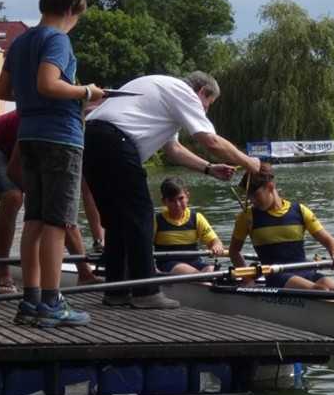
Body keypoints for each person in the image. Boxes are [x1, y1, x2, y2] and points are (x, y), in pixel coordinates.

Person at [82, 71, 259, 309]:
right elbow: (211, 141)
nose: (206, 111)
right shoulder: (184, 93)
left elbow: (173, 148)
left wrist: (209, 169)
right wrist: (249, 163)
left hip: (91, 137)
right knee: (141, 215)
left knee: (116, 221)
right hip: (115, 141)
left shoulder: (162, 90)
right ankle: (146, 292)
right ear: (202, 92)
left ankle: (117, 291)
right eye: (208, 104)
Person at [0, 0, 101, 328]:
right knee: (58, 221)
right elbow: (48, 84)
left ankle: (31, 300)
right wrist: (87, 92)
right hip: (60, 139)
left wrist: (34, 96)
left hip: (28, 136)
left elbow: (2, 91)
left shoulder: (21, 41)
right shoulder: (57, 39)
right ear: (71, 9)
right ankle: (53, 303)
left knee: (35, 219)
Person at [0, 109, 105, 293]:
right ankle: (4, 275)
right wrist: (43, 198)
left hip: (29, 146)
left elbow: (88, 194)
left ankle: (85, 275)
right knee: (13, 197)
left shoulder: (82, 138)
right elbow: (13, 169)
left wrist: (99, 239)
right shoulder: (49, 119)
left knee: (59, 205)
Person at [228, 163, 334, 291]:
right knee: (321, 290)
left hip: (304, 270)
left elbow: (328, 240)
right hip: (276, 275)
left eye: (256, 195)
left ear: (271, 187)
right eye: (250, 197)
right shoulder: (247, 217)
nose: (253, 201)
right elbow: (234, 250)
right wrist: (247, 279)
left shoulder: (301, 211)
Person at [153, 176, 225, 274]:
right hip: (167, 265)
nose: (178, 204)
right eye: (172, 200)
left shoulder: (196, 218)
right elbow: (143, 248)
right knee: (194, 274)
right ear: (164, 201)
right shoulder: (156, 221)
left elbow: (215, 241)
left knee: (213, 271)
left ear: (187, 196)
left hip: (195, 262)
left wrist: (217, 246)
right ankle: (204, 281)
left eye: (180, 198)